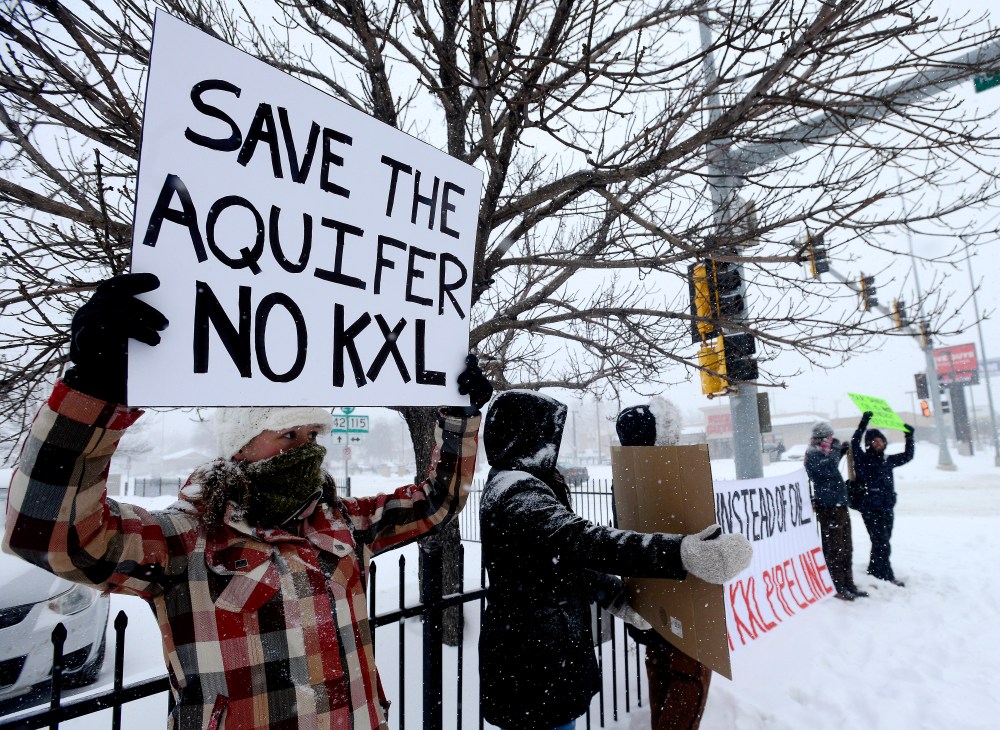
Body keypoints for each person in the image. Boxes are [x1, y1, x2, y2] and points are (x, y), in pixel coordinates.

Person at [3, 273, 493, 730]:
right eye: (286, 433)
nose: (304, 447)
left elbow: (435, 502)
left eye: (311, 433)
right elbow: (47, 533)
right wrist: (92, 392)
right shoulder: (182, 541)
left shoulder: (342, 524)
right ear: (240, 444)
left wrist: (458, 420)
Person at [478, 391, 752, 730]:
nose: (553, 448)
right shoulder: (517, 491)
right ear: (527, 435)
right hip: (535, 668)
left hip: (543, 665)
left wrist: (613, 595)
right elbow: (583, 540)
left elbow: (557, 562)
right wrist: (681, 552)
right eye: (547, 436)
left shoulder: (521, 484)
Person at [614, 404, 714, 730]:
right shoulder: (671, 478)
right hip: (683, 604)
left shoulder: (626, 479)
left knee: (661, 677)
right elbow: (696, 537)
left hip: (650, 603)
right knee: (687, 682)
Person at [804, 422, 868, 601]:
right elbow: (829, 468)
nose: (832, 440)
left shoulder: (825, 452)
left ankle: (848, 583)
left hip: (840, 504)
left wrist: (839, 451)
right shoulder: (813, 453)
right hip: (828, 507)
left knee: (847, 547)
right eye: (829, 438)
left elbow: (831, 464)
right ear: (821, 438)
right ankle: (836, 585)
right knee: (835, 549)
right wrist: (837, 449)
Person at [850, 410, 915, 587]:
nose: (879, 443)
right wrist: (864, 423)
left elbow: (908, 456)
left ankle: (874, 568)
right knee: (882, 542)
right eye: (875, 441)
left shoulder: (888, 460)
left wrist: (909, 437)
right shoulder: (862, 459)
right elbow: (854, 442)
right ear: (869, 444)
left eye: (881, 440)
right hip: (870, 507)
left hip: (887, 507)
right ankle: (886, 575)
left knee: (882, 541)